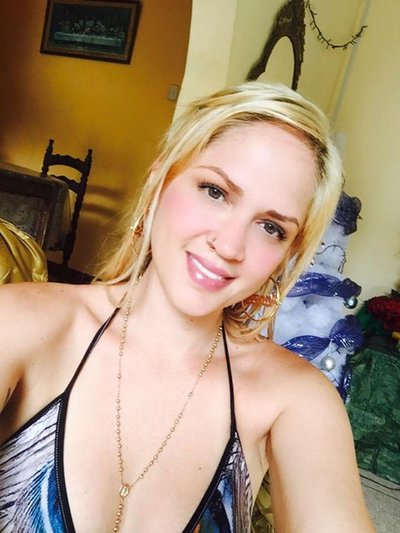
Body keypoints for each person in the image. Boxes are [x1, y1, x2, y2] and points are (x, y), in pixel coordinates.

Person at [0, 82, 374, 533]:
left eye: (271, 227)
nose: (229, 246)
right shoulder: (20, 323)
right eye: (215, 191)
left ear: (286, 255)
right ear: (160, 180)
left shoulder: (297, 400)